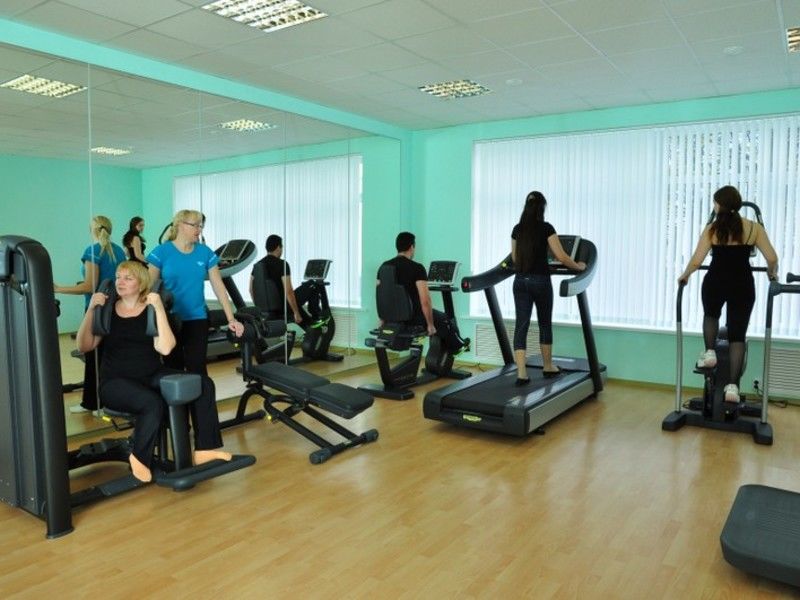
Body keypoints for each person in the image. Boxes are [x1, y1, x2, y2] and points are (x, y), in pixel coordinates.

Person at [76, 260, 231, 483]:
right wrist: (91, 309)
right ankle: (139, 457)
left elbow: (165, 348)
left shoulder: (152, 309)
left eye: (128, 278)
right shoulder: (107, 310)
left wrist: (158, 308)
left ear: (141, 284)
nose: (120, 282)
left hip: (151, 374)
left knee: (203, 384)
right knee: (152, 402)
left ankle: (205, 449)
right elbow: (85, 345)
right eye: (118, 277)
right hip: (115, 382)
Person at [678, 185, 778, 401]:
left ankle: (710, 353)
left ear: (719, 205)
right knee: (737, 335)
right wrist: (772, 273)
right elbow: (771, 258)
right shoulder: (753, 228)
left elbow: (696, 261)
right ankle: (732, 387)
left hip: (715, 280)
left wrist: (685, 275)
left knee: (711, 315)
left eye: (715, 202)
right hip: (742, 284)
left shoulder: (712, 229)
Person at [146, 209, 244, 376]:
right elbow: (148, 288)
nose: (199, 229)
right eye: (195, 225)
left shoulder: (205, 253)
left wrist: (231, 319)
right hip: (169, 319)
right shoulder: (161, 252)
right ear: (179, 225)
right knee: (173, 367)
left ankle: (199, 395)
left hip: (197, 318)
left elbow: (219, 287)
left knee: (197, 367)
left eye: (201, 226)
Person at [511, 191, 586, 386]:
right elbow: (561, 257)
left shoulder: (517, 229)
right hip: (540, 281)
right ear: (542, 208)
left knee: (521, 325)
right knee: (544, 323)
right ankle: (548, 366)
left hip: (520, 281)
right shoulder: (546, 228)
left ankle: (521, 373)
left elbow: (515, 258)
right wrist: (578, 266)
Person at [54, 215, 127, 413]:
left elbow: (89, 286)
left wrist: (58, 288)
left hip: (97, 309)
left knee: (93, 357)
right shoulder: (119, 251)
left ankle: (92, 403)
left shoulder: (92, 251)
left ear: (91, 230)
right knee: (108, 356)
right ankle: (109, 401)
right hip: (116, 308)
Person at [378, 231, 469, 355]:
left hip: (391, 318)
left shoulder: (383, 267)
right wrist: (430, 325)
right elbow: (425, 301)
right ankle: (458, 348)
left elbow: (381, 296)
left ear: (397, 246)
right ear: (411, 247)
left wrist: (383, 320)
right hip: (413, 318)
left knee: (440, 320)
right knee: (445, 319)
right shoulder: (417, 268)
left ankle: (450, 349)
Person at [249, 234, 322, 329]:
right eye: (281, 247)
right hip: (284, 307)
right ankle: (317, 317)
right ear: (278, 247)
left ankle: (310, 326)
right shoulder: (282, 264)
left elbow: (251, 289)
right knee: (312, 284)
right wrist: (296, 313)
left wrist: (261, 308)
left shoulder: (257, 266)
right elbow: (289, 291)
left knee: (296, 305)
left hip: (268, 310)